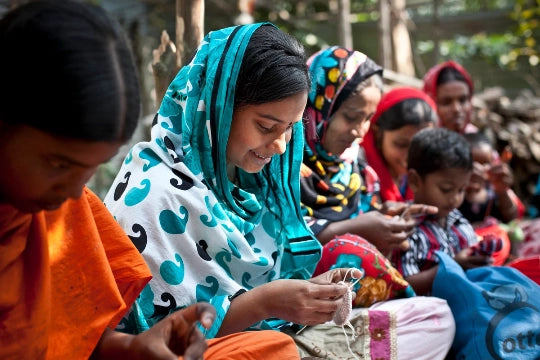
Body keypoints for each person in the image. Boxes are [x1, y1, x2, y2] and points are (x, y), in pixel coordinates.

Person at [105, 29, 454, 359]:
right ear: (218, 107)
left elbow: (266, 285)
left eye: (291, 128)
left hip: (271, 336)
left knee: (433, 317)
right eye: (267, 126)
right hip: (230, 349)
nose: (280, 145)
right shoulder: (153, 194)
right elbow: (167, 337)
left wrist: (309, 294)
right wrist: (265, 303)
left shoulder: (247, 177)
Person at [0, 2, 301, 359]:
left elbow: (80, 340)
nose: (72, 191)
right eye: (58, 164)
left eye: (91, 170)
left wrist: (133, 348)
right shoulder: (154, 192)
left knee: (272, 348)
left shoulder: (67, 208)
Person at [391, 127, 494, 295]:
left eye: (461, 190)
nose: (455, 199)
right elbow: (403, 286)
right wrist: (452, 267)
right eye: (446, 189)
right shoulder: (405, 229)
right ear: (415, 181)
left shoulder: (458, 221)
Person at [362, 87, 438, 203]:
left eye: (422, 145)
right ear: (378, 134)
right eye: (401, 144)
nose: (411, 155)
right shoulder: (359, 174)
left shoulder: (429, 175)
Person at [459, 132, 524, 224]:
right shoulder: (451, 191)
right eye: (471, 163)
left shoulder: (493, 189)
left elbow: (512, 219)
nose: (478, 169)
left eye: (485, 163)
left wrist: (502, 191)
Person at [422, 60, 477, 133]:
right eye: (446, 102)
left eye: (462, 100)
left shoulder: (476, 139)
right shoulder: (417, 141)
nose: (456, 109)